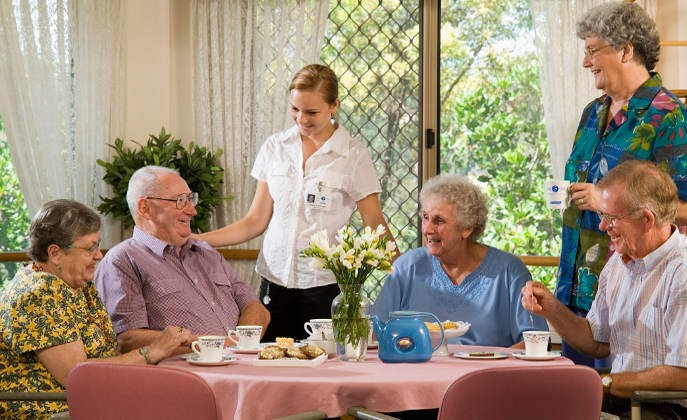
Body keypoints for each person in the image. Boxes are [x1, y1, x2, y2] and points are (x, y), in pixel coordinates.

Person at [196, 64, 397, 341]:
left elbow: (374, 224)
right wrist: (197, 240)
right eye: (295, 109)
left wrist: (405, 271)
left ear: (334, 105)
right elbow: (255, 221)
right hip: (274, 281)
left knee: (321, 372)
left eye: (311, 112)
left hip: (325, 286)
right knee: (270, 365)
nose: (301, 119)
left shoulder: (353, 155)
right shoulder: (274, 147)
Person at [556, 1, 687, 367]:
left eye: (592, 51)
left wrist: (608, 201)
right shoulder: (593, 113)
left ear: (625, 49)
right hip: (577, 291)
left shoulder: (668, 115)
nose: (586, 62)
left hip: (631, 302)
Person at [525, 160, 687, 419]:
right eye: (601, 215)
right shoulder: (618, 262)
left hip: (667, 411)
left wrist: (604, 383)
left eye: (611, 217)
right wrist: (551, 308)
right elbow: (597, 342)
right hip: (622, 403)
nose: (602, 226)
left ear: (647, 219)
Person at [0, 199, 190, 418]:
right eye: (90, 248)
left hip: (92, 397)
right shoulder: (39, 294)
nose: (99, 255)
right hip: (55, 409)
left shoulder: (76, 284)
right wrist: (153, 351)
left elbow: (107, 352)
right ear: (55, 253)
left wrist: (168, 347)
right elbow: (77, 374)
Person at [94, 166, 269, 353]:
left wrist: (237, 345)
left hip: (239, 365)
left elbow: (256, 308)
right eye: (180, 201)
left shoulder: (206, 253)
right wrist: (212, 347)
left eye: (190, 199)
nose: (192, 211)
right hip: (183, 376)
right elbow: (127, 338)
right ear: (145, 208)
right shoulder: (122, 261)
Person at [371, 174, 547, 348]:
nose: (427, 229)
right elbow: (375, 333)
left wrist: (491, 368)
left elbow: (534, 342)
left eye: (438, 220)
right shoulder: (407, 268)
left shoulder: (510, 272)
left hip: (488, 374)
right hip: (418, 373)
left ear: (467, 228)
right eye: (425, 217)